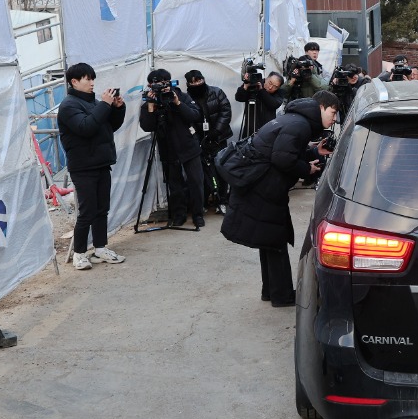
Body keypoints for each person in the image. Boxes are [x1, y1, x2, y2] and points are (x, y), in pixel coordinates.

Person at [221, 90, 340, 307]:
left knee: (269, 240)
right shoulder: (300, 125)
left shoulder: (294, 119)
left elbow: (283, 151)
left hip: (261, 186)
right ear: (322, 106)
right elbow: (282, 158)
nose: (334, 119)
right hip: (265, 189)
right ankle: (281, 295)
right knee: (275, 240)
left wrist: (314, 153)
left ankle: (271, 290)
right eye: (333, 112)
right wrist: (307, 169)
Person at [58, 63, 127, 270]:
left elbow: (109, 127)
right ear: (74, 82)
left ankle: (100, 248)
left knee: (101, 209)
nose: (92, 83)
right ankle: (79, 253)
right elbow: (86, 128)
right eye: (87, 79)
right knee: (87, 212)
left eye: (92, 78)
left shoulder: (94, 103)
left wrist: (117, 108)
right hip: (83, 167)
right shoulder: (69, 106)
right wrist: (104, 106)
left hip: (101, 163)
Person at [140, 68, 205, 228]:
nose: (160, 87)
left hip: (189, 146)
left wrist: (177, 103)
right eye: (155, 84)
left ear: (169, 82)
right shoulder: (150, 101)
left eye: (163, 83)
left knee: (196, 182)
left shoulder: (180, 95)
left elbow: (195, 116)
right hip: (168, 149)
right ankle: (179, 215)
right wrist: (150, 106)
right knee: (175, 186)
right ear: (150, 85)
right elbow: (147, 127)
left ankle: (198, 215)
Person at [185, 69, 232, 215]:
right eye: (193, 82)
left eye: (199, 80)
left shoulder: (216, 92)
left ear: (203, 79)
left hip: (219, 139)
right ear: (188, 84)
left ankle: (222, 201)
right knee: (202, 174)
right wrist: (198, 139)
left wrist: (215, 132)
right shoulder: (186, 98)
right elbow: (187, 119)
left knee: (221, 170)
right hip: (199, 142)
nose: (197, 84)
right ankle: (203, 202)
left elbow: (226, 111)